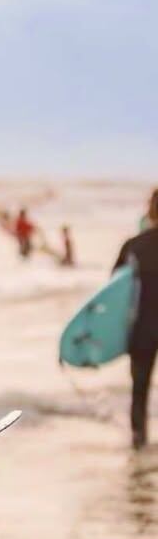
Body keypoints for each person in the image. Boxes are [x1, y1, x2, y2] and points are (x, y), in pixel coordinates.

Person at [113, 188, 158, 449]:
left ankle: (138, 444)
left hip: (142, 328)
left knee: (139, 391)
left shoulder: (134, 245)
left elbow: (113, 292)